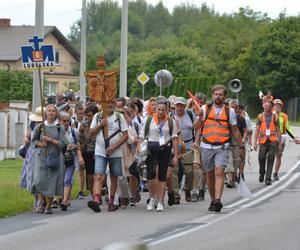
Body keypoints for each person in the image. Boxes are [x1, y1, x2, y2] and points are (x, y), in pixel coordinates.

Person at [194, 85, 244, 212]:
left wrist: (241, 144)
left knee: (219, 171)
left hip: (222, 146)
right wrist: (200, 117)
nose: (218, 96)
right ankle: (212, 199)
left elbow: (234, 130)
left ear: (224, 96)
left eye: (221, 94)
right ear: (212, 95)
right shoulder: (205, 109)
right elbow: (197, 127)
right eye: (216, 94)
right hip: (206, 146)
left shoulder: (229, 111)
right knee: (209, 174)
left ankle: (218, 200)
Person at [87, 98, 129, 213]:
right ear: (102, 104)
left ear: (115, 104)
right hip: (100, 150)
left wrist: (114, 147)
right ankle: (96, 199)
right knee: (99, 175)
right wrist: (100, 125)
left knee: (114, 176)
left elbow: (126, 135)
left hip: (115, 151)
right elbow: (91, 133)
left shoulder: (119, 117)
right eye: (107, 103)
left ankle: (111, 200)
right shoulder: (98, 116)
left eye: (112, 103)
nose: (110, 105)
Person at [138, 98, 178, 212]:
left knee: (162, 175)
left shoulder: (170, 121)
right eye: (159, 109)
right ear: (155, 109)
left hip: (165, 149)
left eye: (163, 110)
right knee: (150, 175)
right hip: (151, 148)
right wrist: (138, 149)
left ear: (167, 110)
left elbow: (175, 138)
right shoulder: (149, 120)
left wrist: (175, 155)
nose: (160, 112)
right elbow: (142, 135)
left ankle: (160, 200)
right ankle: (151, 198)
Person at [31, 104, 66, 214]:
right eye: (49, 111)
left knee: (51, 182)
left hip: (54, 158)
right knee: (40, 180)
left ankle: (49, 206)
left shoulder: (59, 128)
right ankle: (42, 202)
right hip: (42, 157)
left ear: (56, 113)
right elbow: (34, 141)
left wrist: (50, 140)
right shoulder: (41, 126)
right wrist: (41, 144)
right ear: (46, 113)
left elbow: (63, 144)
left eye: (53, 111)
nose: (51, 113)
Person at [170, 97, 198, 203]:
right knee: (174, 171)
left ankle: (187, 190)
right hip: (174, 146)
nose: (179, 107)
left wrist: (197, 141)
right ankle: (176, 194)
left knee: (189, 171)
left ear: (185, 106)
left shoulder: (190, 115)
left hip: (188, 145)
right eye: (177, 105)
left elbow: (198, 127)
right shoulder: (171, 116)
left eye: (182, 105)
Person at [20, 106, 44, 210]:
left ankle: (40, 200)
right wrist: (25, 138)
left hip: (40, 153)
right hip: (31, 155)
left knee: (38, 178)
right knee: (29, 177)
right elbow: (28, 135)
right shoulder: (33, 124)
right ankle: (36, 198)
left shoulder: (45, 126)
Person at [253, 100, 282, 185]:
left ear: (271, 107)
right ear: (263, 106)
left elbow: (278, 130)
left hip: (273, 141)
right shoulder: (260, 116)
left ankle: (268, 178)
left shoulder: (275, 116)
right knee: (261, 158)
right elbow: (257, 130)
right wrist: (254, 143)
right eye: (265, 105)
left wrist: (280, 143)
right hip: (262, 141)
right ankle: (262, 173)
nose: (266, 107)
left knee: (271, 159)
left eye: (268, 106)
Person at [273, 99, 298, 181]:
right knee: (268, 156)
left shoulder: (284, 116)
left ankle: (275, 173)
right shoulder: (269, 114)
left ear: (281, 108)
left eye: (279, 105)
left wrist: (294, 137)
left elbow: (288, 128)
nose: (277, 107)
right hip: (271, 137)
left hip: (281, 138)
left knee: (279, 155)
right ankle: (266, 171)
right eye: (275, 105)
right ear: (273, 106)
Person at [77, 104, 99, 196]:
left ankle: (99, 193)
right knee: (90, 177)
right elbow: (79, 142)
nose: (87, 117)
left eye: (89, 115)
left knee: (99, 176)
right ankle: (93, 196)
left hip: (99, 152)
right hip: (88, 152)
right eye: (86, 115)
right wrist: (80, 157)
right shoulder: (83, 125)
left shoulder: (100, 124)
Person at [225, 99, 247, 188]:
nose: (234, 109)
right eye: (232, 107)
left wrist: (243, 139)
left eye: (236, 107)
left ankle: (234, 177)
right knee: (229, 161)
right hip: (226, 142)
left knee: (235, 161)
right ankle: (230, 180)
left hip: (236, 142)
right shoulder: (225, 117)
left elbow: (245, 131)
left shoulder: (241, 118)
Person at [59, 112, 78, 211]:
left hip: (70, 160)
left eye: (68, 121)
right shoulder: (56, 132)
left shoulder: (74, 132)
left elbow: (80, 145)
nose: (66, 123)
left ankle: (64, 201)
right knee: (60, 180)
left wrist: (74, 146)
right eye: (64, 121)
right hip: (59, 160)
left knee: (67, 179)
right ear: (59, 121)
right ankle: (62, 198)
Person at [71, 103, 86, 200]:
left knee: (81, 170)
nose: (81, 115)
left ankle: (80, 191)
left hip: (83, 148)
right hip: (73, 149)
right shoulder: (72, 123)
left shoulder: (86, 122)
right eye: (79, 113)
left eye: (82, 113)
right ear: (75, 113)